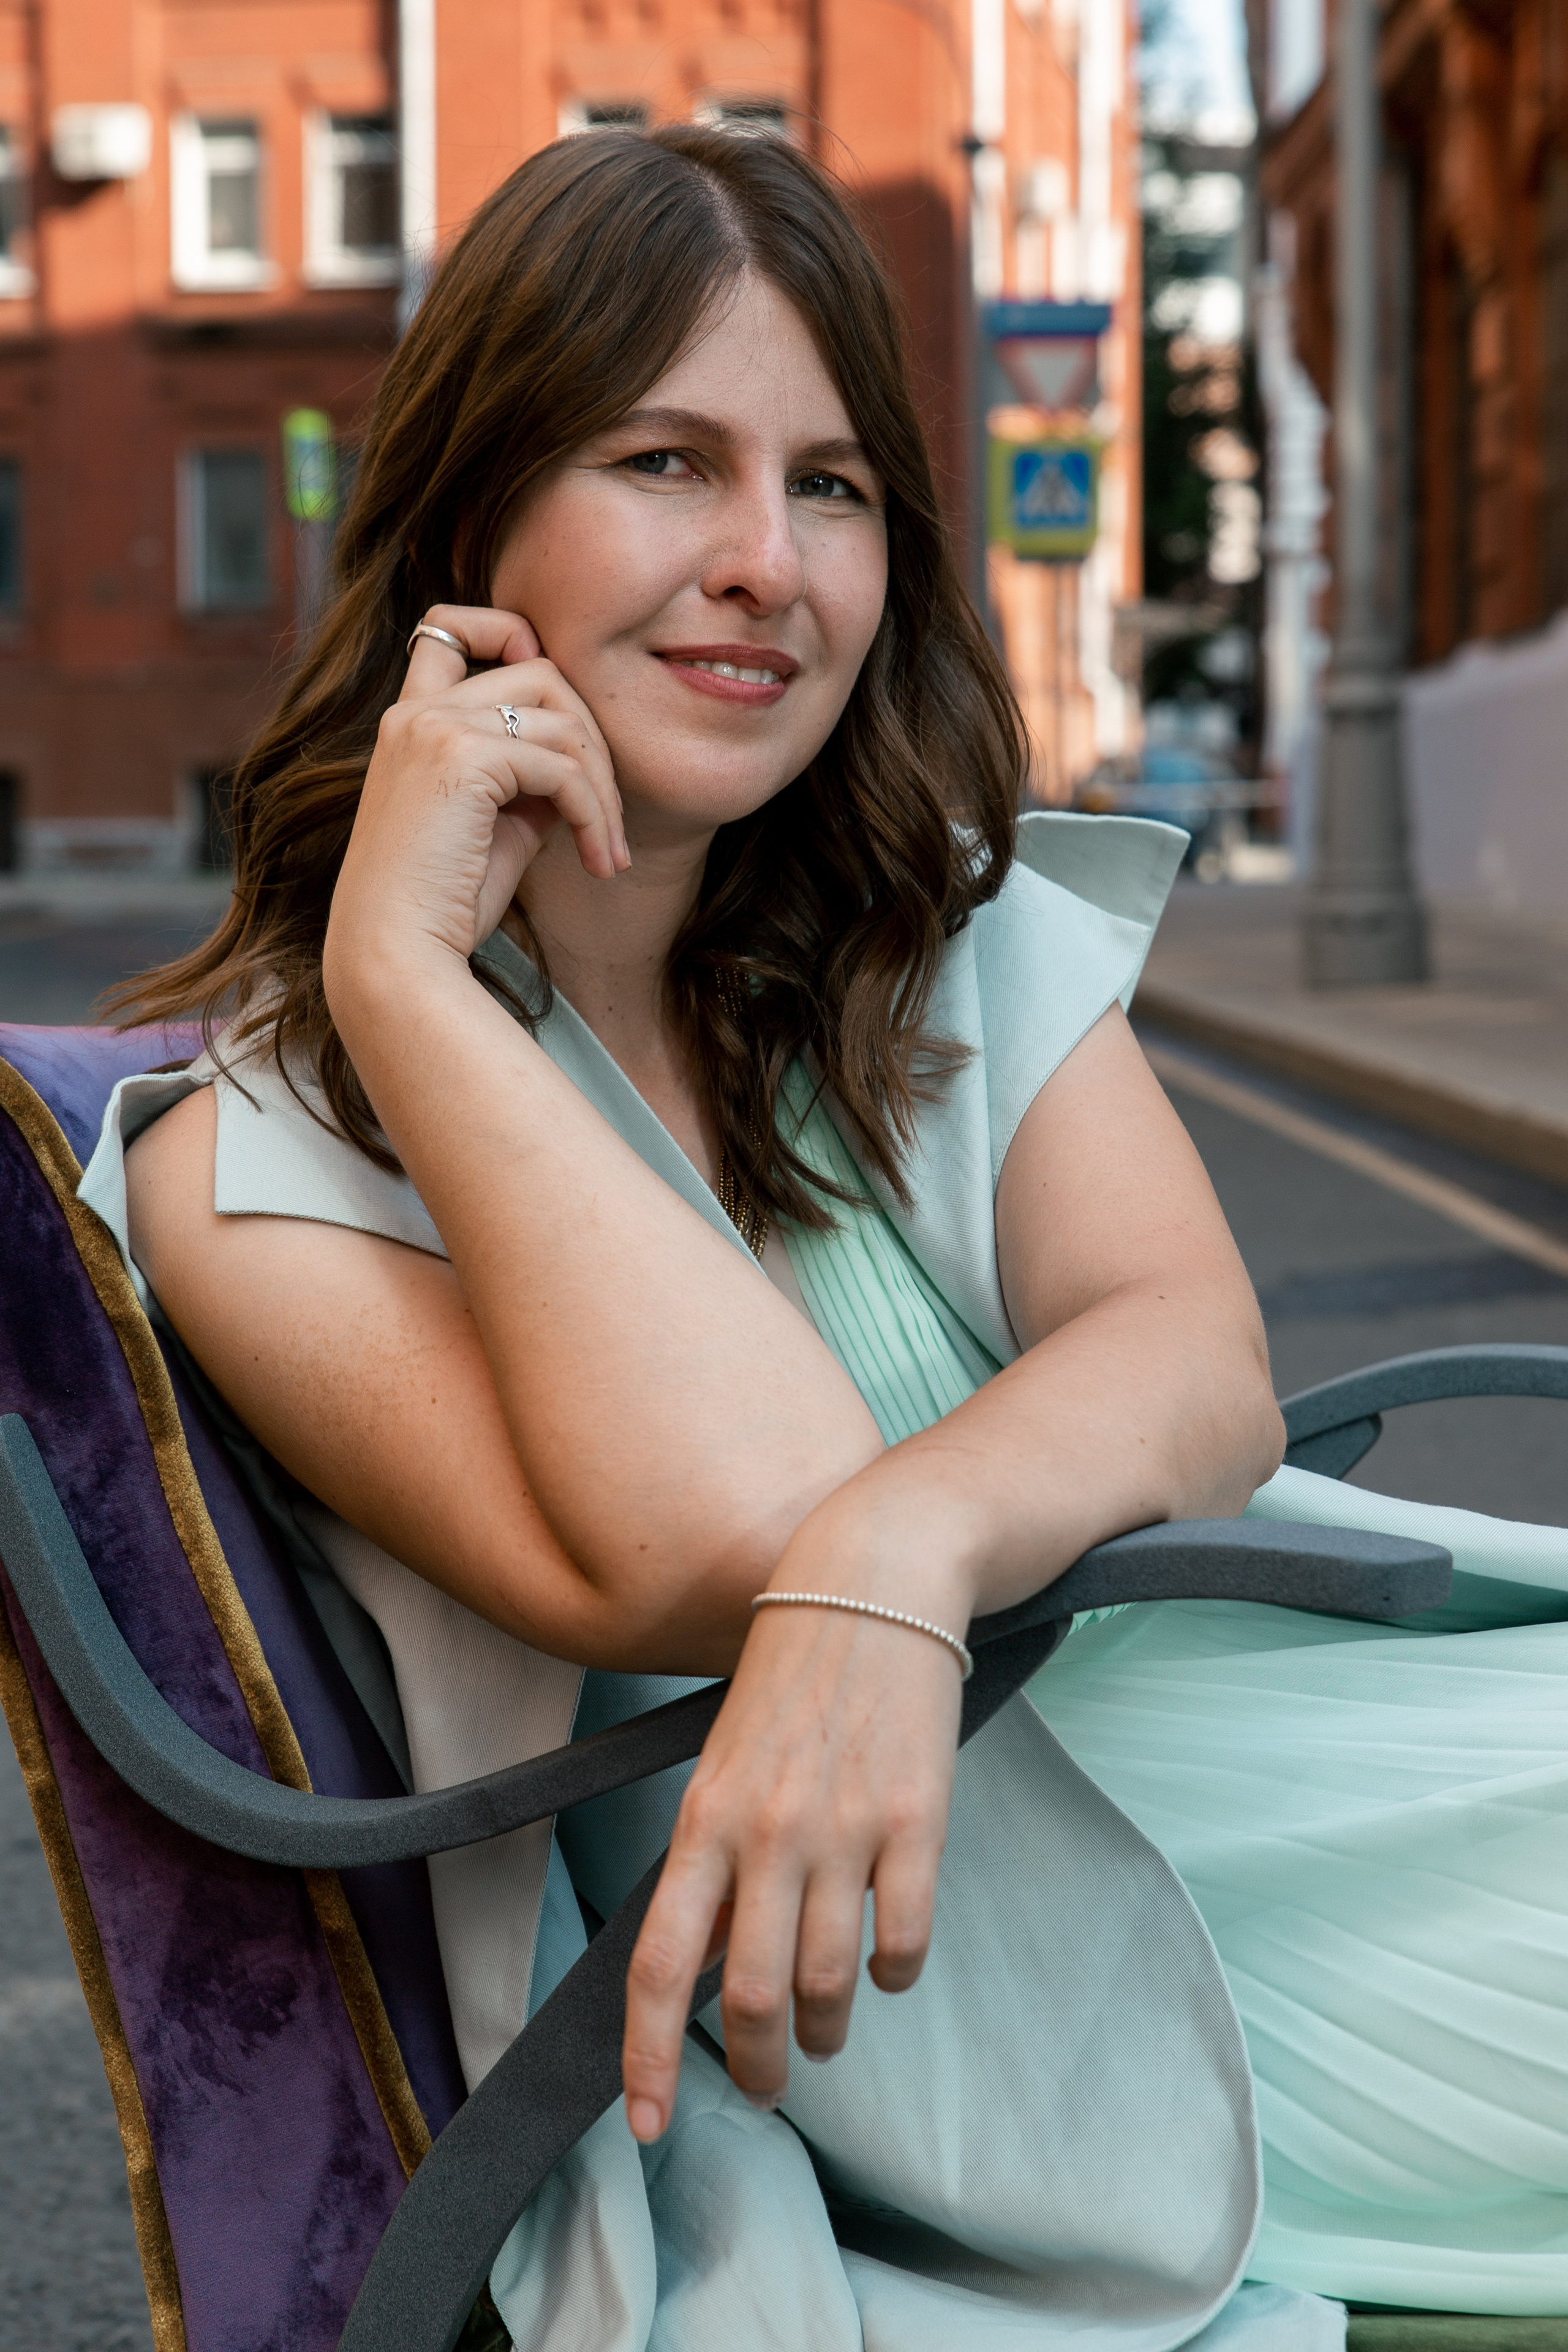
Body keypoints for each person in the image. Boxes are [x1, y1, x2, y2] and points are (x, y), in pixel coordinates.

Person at [78, 127, 1568, 2350]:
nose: (767, 564)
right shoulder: (248, 1168)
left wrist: (905, 1553)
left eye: (837, 486)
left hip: (1325, 1763)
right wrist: (408, 984)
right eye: (667, 461)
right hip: (1056, 1988)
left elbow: (1190, 1353)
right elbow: (731, 1517)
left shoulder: (939, 951)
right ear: (472, 518)